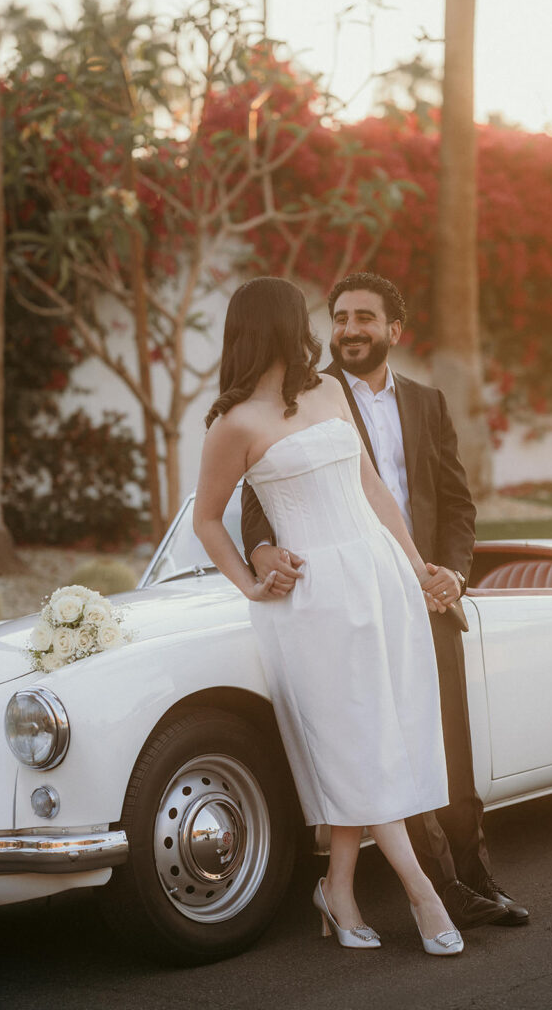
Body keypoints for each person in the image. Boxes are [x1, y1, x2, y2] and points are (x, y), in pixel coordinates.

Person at [242, 271, 529, 929]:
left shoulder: (426, 403)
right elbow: (257, 492)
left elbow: (456, 504)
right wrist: (260, 551)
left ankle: (479, 878)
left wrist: (450, 573)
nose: (348, 329)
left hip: (423, 591)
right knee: (382, 743)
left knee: (444, 751)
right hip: (349, 591)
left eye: (364, 318)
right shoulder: (307, 395)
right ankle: (441, 891)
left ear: (393, 332)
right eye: (339, 317)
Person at [194, 275, 464, 955]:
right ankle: (420, 893)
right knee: (358, 743)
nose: (317, 329)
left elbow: (370, 487)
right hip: (312, 603)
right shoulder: (234, 423)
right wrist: (252, 582)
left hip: (376, 580)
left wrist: (412, 568)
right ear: (279, 327)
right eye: (304, 318)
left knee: (380, 736)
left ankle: (335, 889)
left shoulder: (327, 391)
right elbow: (206, 520)